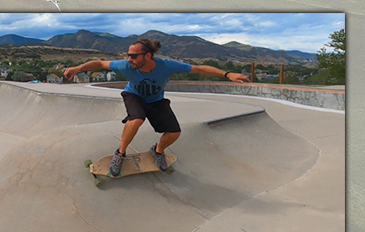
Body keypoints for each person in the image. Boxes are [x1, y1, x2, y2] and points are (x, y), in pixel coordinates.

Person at [63, 38, 250, 177]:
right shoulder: (126, 66)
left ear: (148, 56)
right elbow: (99, 63)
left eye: (134, 56)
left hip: (156, 100)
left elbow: (199, 69)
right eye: (128, 55)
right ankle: (120, 153)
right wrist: (77, 68)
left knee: (174, 132)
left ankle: (158, 151)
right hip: (134, 96)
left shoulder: (167, 66)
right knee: (136, 120)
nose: (129, 59)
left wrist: (227, 74)